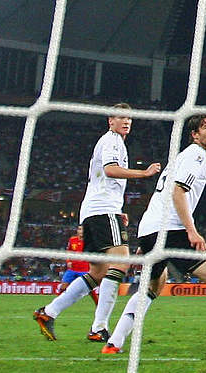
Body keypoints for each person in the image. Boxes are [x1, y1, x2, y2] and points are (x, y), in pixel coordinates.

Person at [102, 115, 206, 358]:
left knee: (153, 286)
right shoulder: (196, 155)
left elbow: (162, 194)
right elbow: (177, 192)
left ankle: (114, 343)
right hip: (171, 229)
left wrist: (147, 239)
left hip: (151, 229)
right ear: (195, 134)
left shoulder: (185, 157)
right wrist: (191, 230)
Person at [33, 103, 161, 343]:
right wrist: (143, 174)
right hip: (102, 211)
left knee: (99, 272)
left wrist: (119, 210)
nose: (126, 122)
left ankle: (48, 312)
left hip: (97, 211)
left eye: (130, 119)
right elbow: (111, 170)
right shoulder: (112, 141)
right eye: (121, 118)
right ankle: (99, 327)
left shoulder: (115, 142)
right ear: (110, 121)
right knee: (121, 263)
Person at [59, 226, 99, 305]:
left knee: (90, 290)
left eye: (83, 229)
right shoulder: (72, 240)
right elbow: (68, 252)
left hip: (84, 269)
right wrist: (68, 261)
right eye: (79, 229)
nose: (81, 231)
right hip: (72, 269)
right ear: (77, 231)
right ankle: (56, 304)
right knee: (63, 287)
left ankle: (98, 305)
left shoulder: (89, 241)